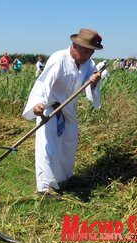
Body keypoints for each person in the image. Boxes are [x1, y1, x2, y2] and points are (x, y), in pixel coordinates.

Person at [22, 28, 103, 195]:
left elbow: (89, 86)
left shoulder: (89, 63)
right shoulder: (59, 59)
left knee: (68, 144)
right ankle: (44, 187)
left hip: (69, 110)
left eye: (91, 52)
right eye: (86, 51)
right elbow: (43, 83)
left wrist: (94, 82)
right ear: (74, 46)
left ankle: (63, 178)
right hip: (50, 109)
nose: (88, 55)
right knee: (47, 147)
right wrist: (38, 104)